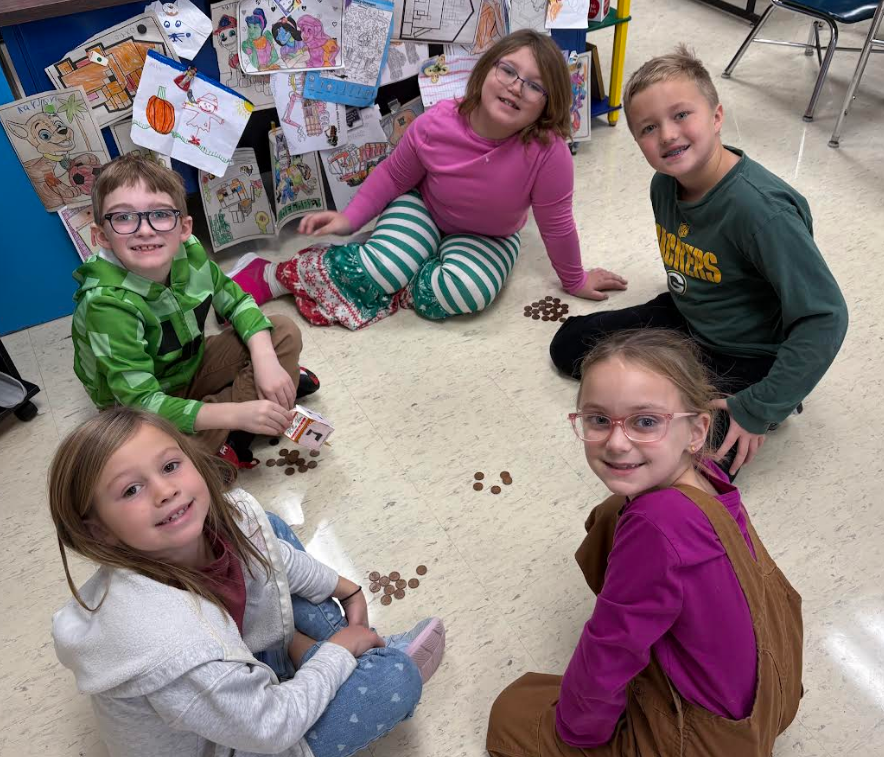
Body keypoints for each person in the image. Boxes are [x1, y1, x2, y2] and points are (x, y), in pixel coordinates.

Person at [49, 407, 446, 757]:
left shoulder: (211, 524)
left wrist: (347, 588)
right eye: (131, 490)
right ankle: (355, 658)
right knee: (394, 680)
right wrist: (339, 653)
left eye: (170, 466)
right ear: (99, 530)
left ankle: (337, 651)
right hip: (237, 739)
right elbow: (272, 727)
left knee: (263, 530)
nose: (165, 491)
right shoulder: (170, 647)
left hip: (237, 665)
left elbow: (277, 558)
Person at [487, 329, 803, 757]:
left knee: (512, 712)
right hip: (773, 697)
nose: (617, 443)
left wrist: (576, 734)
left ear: (696, 430)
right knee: (611, 514)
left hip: (711, 741)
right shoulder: (709, 476)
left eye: (646, 421)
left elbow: (609, 648)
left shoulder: (656, 526)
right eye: (598, 419)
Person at [548, 46, 848, 477]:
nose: (668, 135)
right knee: (570, 347)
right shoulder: (662, 185)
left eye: (681, 115)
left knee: (702, 467)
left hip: (751, 355)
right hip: (687, 318)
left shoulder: (762, 212)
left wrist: (760, 404)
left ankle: (763, 397)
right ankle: (675, 389)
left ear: (717, 116)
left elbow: (826, 316)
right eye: (648, 128)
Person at [290, 29, 626, 330]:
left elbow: (557, 224)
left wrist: (574, 279)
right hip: (424, 209)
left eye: (535, 85)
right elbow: (393, 176)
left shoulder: (548, 153)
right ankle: (293, 272)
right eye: (508, 70)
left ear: (548, 105)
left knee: (465, 293)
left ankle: (404, 270)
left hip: (492, 236)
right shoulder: (436, 122)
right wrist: (350, 218)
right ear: (485, 69)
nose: (516, 86)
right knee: (383, 268)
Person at [71, 154, 318, 468]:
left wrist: (265, 360)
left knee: (282, 332)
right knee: (152, 462)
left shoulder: (191, 254)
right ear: (101, 236)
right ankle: (243, 420)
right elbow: (141, 402)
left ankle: (242, 413)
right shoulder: (106, 304)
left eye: (160, 214)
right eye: (123, 218)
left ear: (184, 228)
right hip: (139, 404)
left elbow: (238, 302)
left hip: (189, 365)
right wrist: (237, 412)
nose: (145, 230)